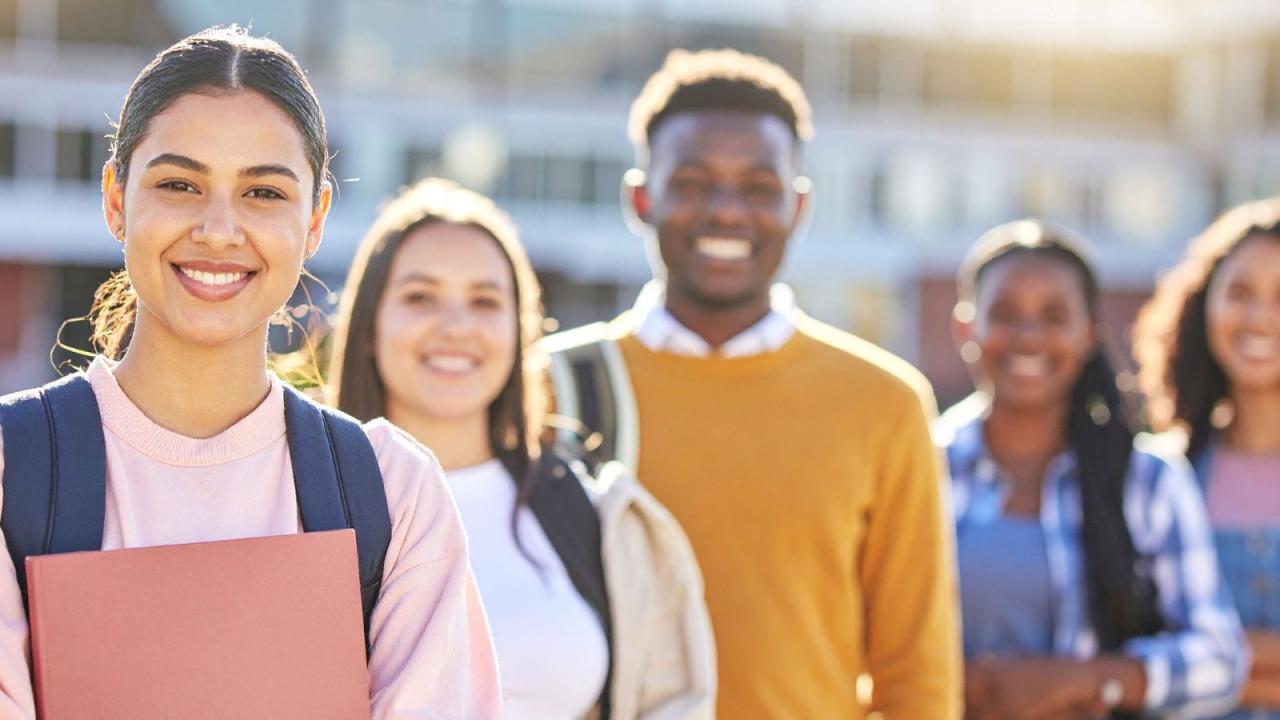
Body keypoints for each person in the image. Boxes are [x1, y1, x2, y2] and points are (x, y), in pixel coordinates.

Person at [0, 27, 500, 718]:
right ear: (116, 198)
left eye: (263, 192)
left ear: (315, 219)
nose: (218, 230)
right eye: (179, 184)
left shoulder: (392, 491)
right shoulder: (11, 468)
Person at [542, 48, 960, 718]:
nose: (727, 211)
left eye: (759, 188)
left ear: (799, 207)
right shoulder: (548, 385)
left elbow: (918, 674)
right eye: (693, 183)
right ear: (640, 199)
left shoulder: (886, 402)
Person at [326, 177, 716, 719]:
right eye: (421, 297)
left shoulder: (593, 513)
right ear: (369, 325)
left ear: (519, 330)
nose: (456, 327)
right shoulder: (298, 498)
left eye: (485, 301)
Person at [941, 219, 1247, 719]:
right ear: (964, 327)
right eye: (1005, 314)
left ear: (1089, 333)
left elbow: (1220, 658)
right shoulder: (920, 466)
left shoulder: (1147, 481)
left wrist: (1086, 681)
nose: (1028, 336)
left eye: (1054, 316)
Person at [1135, 198, 1280, 718]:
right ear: (1204, 307)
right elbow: (1133, 643)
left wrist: (1210, 665)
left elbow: (1159, 668)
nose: (1259, 316)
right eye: (1239, 293)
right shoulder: (1158, 476)